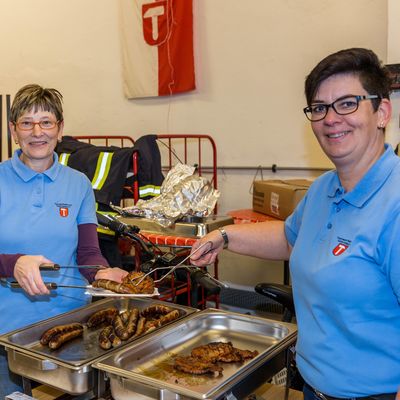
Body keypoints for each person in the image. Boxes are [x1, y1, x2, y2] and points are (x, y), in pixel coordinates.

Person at [191, 48, 400, 399]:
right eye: (319, 108)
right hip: (313, 388)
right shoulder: (323, 189)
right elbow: (291, 239)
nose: (331, 118)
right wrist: (224, 236)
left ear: (382, 112)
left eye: (347, 103)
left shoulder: (393, 204)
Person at [0, 84, 128, 397]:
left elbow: (88, 251)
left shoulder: (78, 184)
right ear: (13, 129)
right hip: (8, 334)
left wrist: (101, 273)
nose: (37, 131)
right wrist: (12, 263)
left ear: (60, 128)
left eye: (46, 122)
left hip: (73, 326)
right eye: (26, 123)